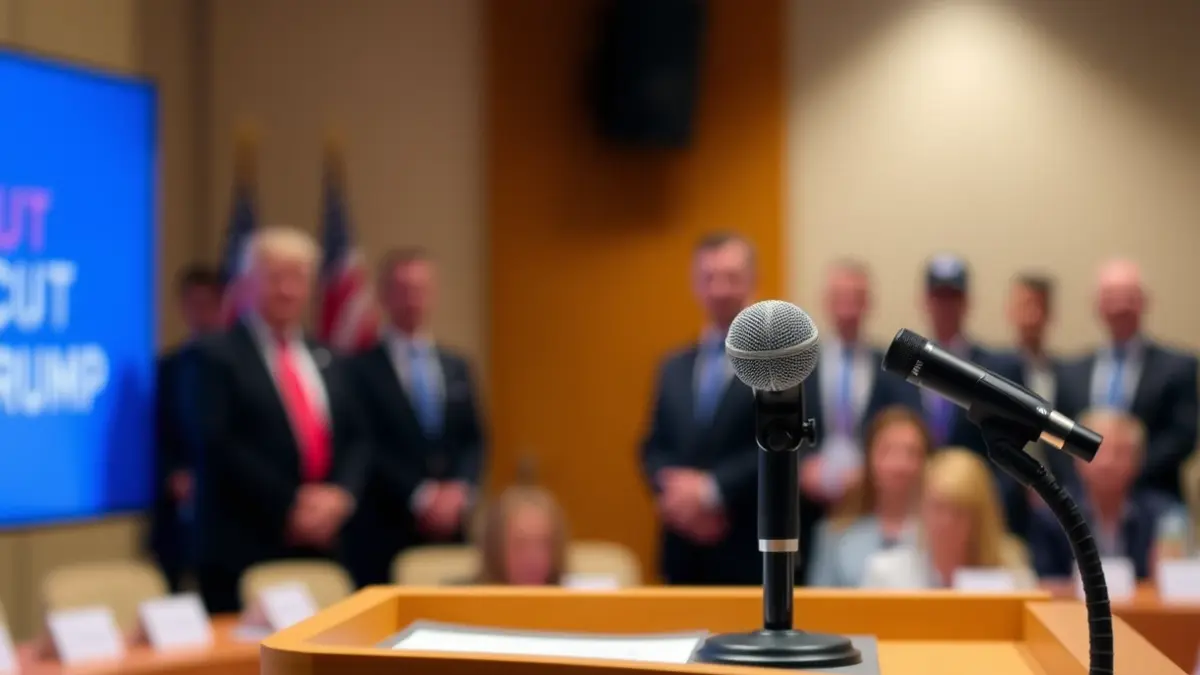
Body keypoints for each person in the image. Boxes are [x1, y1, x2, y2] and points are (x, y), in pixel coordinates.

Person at [194, 226, 369, 613]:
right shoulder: (215, 356)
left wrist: (341, 496)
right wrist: (292, 503)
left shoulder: (329, 357)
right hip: (247, 545)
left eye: (299, 278)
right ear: (247, 283)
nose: (288, 290)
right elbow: (219, 443)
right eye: (275, 278)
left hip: (326, 544)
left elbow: (357, 438)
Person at [343, 248, 486, 587]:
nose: (412, 299)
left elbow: (474, 439)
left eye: (421, 289)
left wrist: (460, 490)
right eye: (403, 289)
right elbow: (364, 445)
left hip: (451, 528)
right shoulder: (357, 369)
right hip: (385, 527)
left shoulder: (456, 365)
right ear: (384, 295)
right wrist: (420, 496)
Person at [640, 232, 761, 585]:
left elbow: (784, 448)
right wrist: (677, 495)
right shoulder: (673, 366)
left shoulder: (775, 364)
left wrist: (711, 490)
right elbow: (653, 445)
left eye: (731, 277)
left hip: (747, 549)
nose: (720, 289)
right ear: (695, 285)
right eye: (709, 277)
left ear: (752, 281)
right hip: (681, 552)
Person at [797, 261, 921, 582]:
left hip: (871, 505)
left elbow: (907, 426)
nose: (848, 308)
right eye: (840, 298)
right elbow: (782, 429)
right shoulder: (801, 366)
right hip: (807, 506)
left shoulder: (889, 368)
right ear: (826, 302)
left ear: (869, 303)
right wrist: (802, 467)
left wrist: (868, 470)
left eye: (856, 298)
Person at [1056, 260, 1199, 500]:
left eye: (1128, 297)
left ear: (1144, 302)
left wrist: (1121, 473)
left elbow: (1182, 437)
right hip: (1082, 505)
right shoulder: (1069, 372)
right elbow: (1056, 435)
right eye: (1111, 297)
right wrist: (1088, 478)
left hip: (1155, 500)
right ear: (1097, 305)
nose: (1120, 306)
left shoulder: (1178, 368)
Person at [1029, 409, 1188, 594]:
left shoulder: (1164, 515)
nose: (1107, 462)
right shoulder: (1051, 516)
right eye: (1097, 451)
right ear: (1075, 457)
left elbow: (1169, 586)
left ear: (1139, 460)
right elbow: (1045, 586)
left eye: (1120, 452)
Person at [862, 449, 1036, 589]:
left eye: (958, 511)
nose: (946, 522)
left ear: (981, 518)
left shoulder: (1013, 577)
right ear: (922, 508)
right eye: (938, 507)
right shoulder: (886, 574)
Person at [150, 264, 224, 592]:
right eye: (192, 303)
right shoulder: (168, 367)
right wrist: (172, 474)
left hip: (228, 513)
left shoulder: (238, 365)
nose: (200, 312)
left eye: (207, 303)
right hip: (177, 513)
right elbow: (157, 432)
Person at [806, 407, 930, 587]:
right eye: (888, 451)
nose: (900, 464)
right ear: (869, 458)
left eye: (912, 452)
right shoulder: (833, 534)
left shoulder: (942, 530)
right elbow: (819, 599)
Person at [475, 486, 568, 585]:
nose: (533, 559)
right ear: (495, 549)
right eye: (520, 545)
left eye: (543, 545)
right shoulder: (468, 593)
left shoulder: (572, 591)